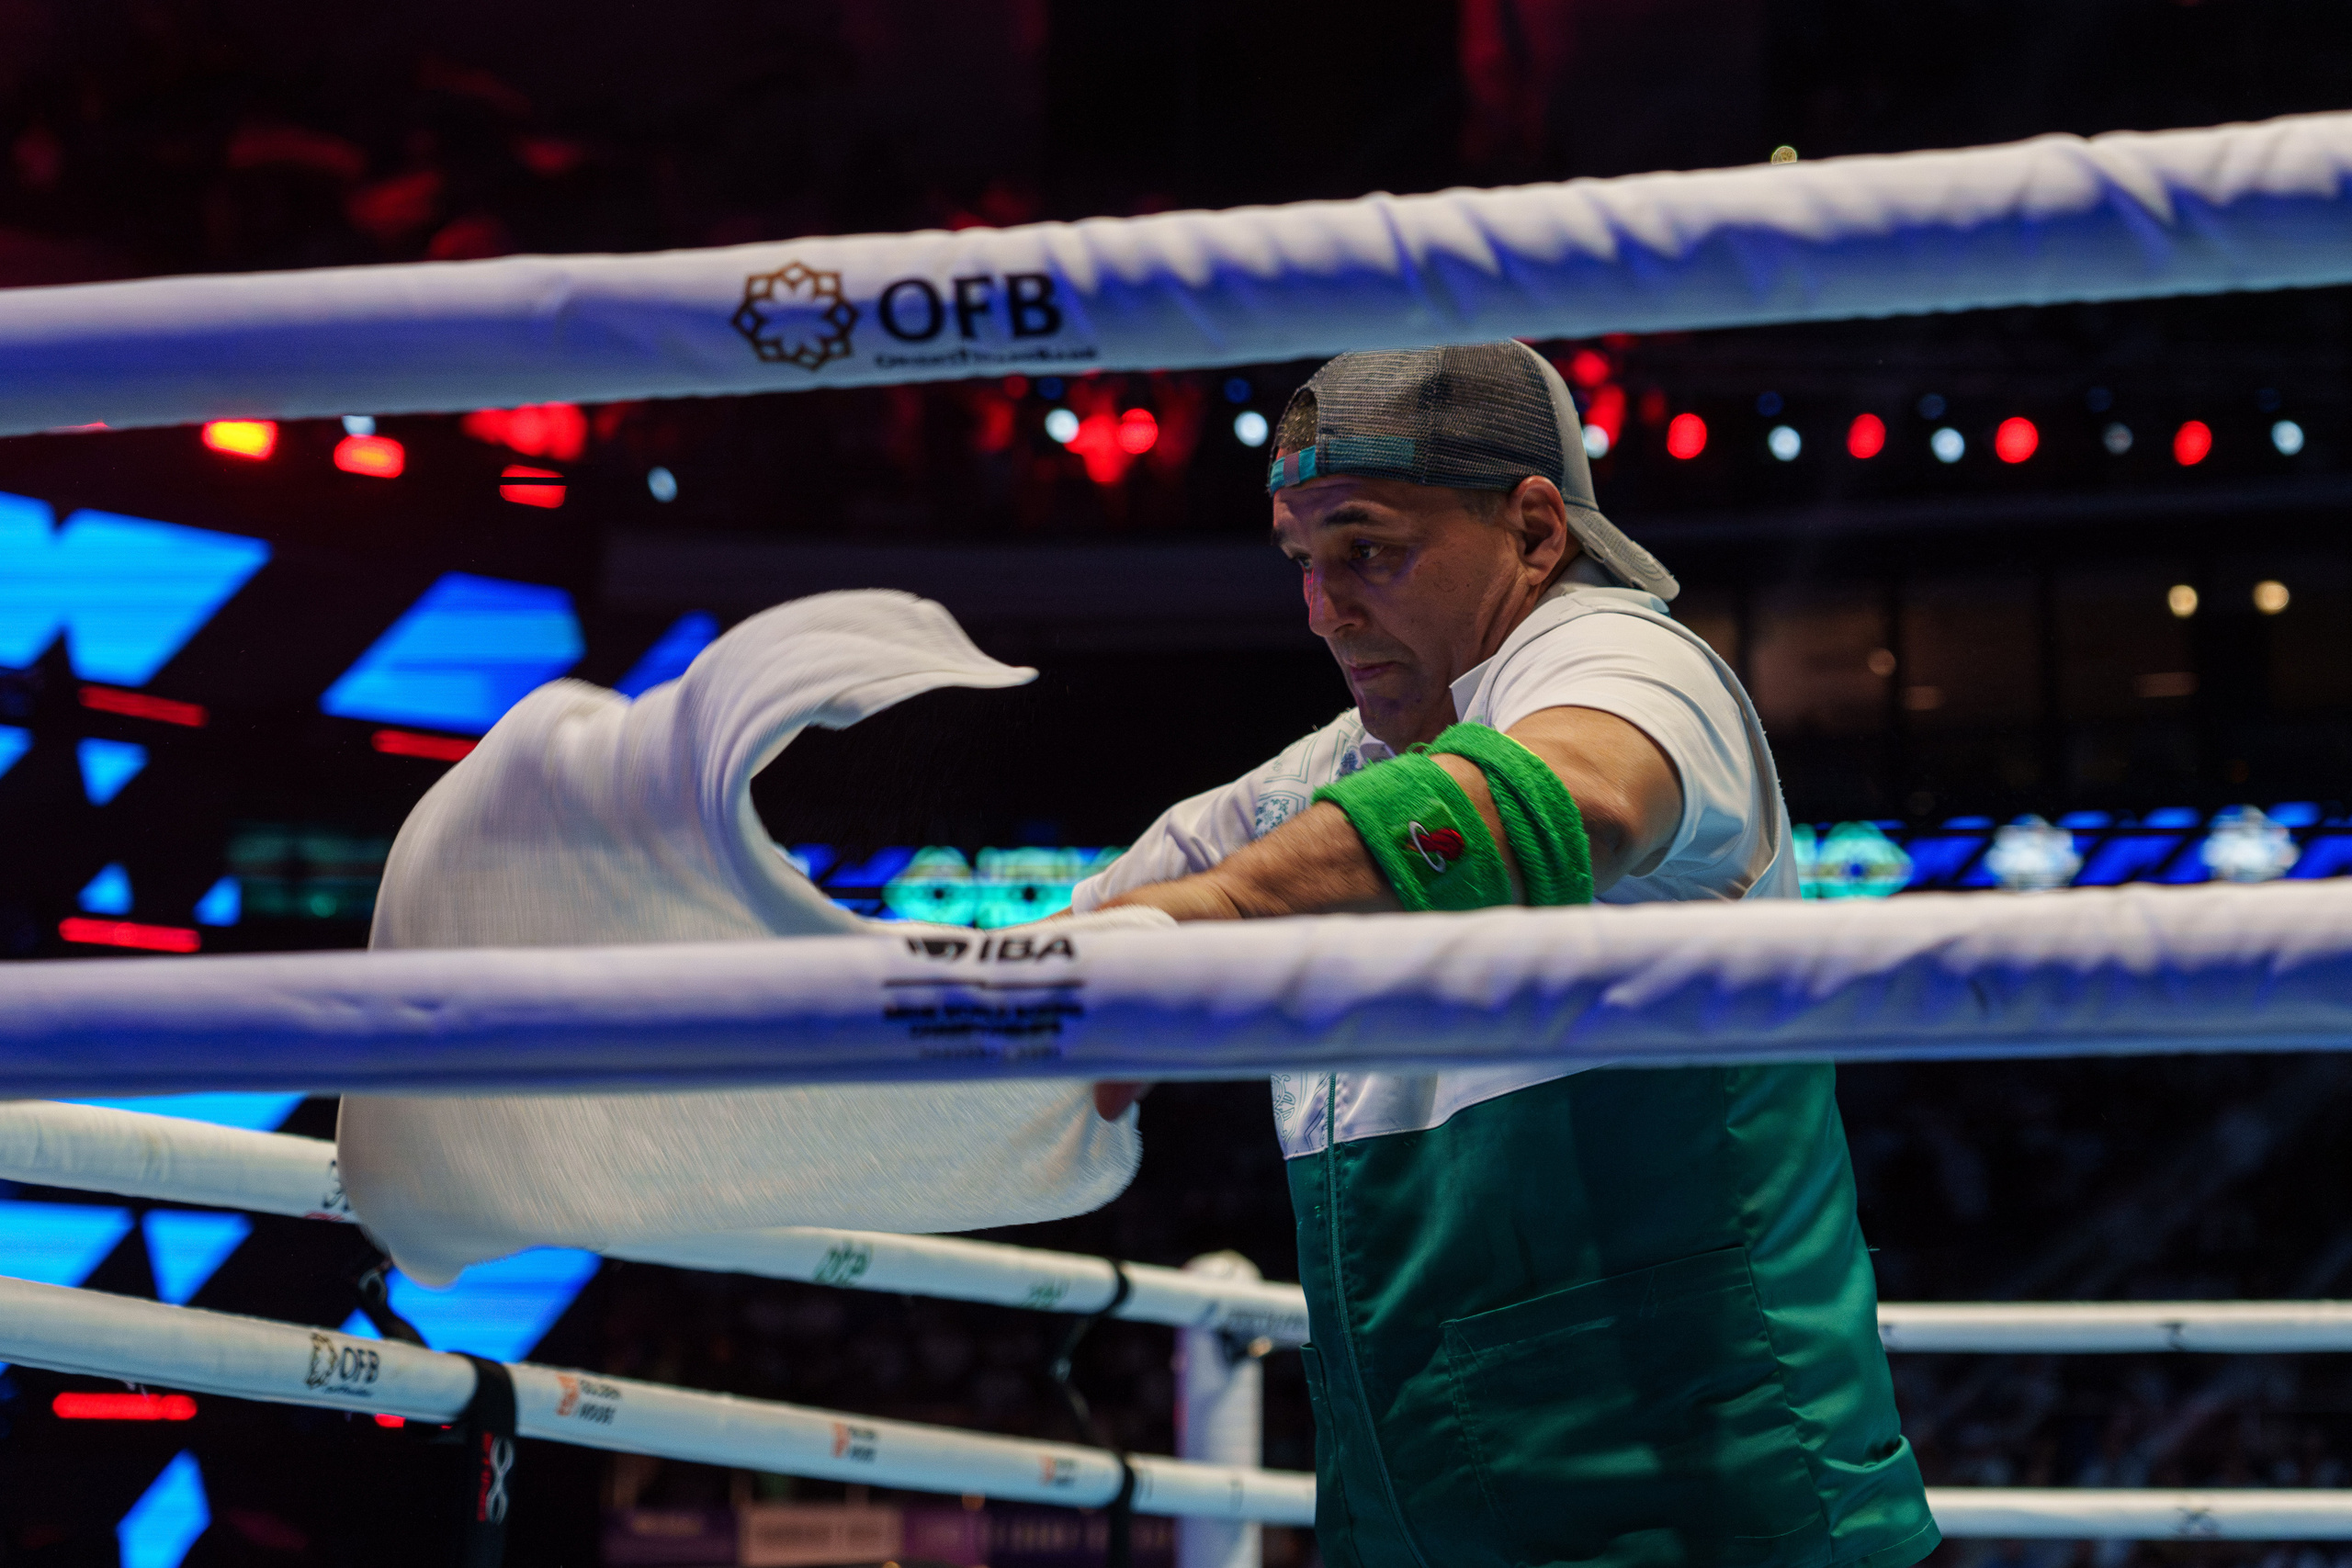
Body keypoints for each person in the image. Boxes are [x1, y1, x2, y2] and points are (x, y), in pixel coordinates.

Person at [1068, 343, 1936, 1568]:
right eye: (1305, 562)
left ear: (1533, 529)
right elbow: (1080, 937)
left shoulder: (1630, 658)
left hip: (1702, 1524)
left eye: (1369, 550)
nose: (1325, 608)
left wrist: (1211, 920)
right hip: (1423, 1514)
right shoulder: (1336, 776)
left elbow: (1580, 794)